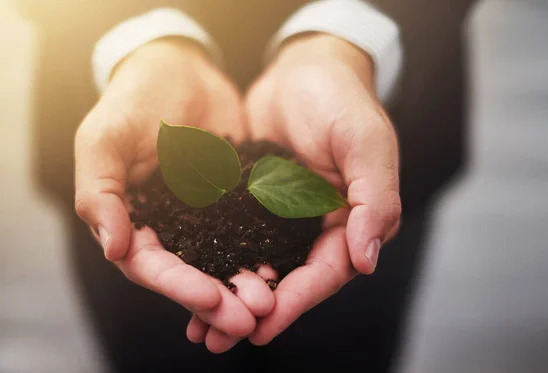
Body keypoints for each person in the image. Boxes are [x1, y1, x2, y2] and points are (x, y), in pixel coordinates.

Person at [19, 0, 474, 371]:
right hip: (133, 162)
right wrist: (144, 48)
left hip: (359, 165)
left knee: (346, 350)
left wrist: (345, 42)